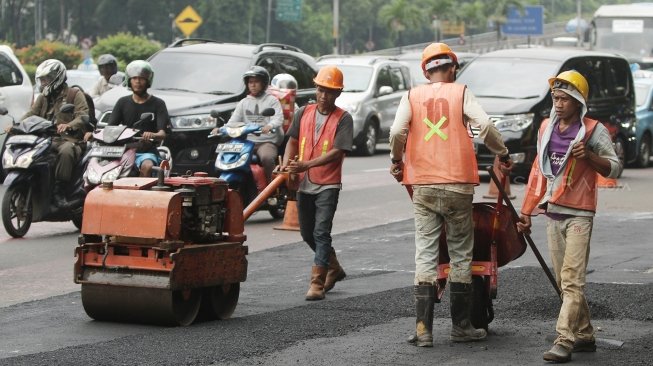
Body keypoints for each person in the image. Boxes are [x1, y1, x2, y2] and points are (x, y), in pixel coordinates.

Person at [388, 43, 513, 347]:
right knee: (460, 255)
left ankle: (423, 330)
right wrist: (503, 152)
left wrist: (396, 160)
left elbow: (396, 132)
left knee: (425, 255)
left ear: (426, 70)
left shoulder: (412, 95)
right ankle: (461, 327)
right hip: (458, 186)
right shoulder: (461, 93)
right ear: (452, 67)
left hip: (424, 185)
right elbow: (483, 125)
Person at [516, 70, 621, 363]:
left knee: (572, 281)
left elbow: (614, 168)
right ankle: (585, 334)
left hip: (580, 215)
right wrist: (526, 212)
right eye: (556, 98)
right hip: (553, 214)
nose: (559, 104)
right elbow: (538, 172)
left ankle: (564, 338)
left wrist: (589, 155)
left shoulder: (593, 130)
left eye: (565, 99)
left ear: (578, 102)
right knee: (565, 283)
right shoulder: (546, 128)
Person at [281, 65, 353, 301]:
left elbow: (338, 152)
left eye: (330, 92)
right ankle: (334, 267)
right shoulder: (304, 112)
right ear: (316, 89)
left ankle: (317, 283)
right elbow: (292, 140)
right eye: (321, 90)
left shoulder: (344, 118)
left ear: (338, 93)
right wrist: (286, 164)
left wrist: (307, 165)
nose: (324, 96)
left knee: (321, 232)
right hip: (304, 182)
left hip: (328, 183)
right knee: (306, 233)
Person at [21, 59, 89, 208]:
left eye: (46, 79)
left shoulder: (74, 94)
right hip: (45, 139)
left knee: (66, 151)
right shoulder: (43, 97)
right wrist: (17, 125)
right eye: (42, 80)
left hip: (69, 140)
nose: (44, 83)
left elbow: (83, 116)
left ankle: (59, 190)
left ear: (56, 77)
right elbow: (31, 114)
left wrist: (69, 125)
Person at [212, 66, 284, 184]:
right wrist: (220, 129)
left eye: (256, 82)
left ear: (264, 83)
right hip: (246, 142)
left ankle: (273, 189)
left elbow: (278, 118)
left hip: (265, 142)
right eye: (250, 82)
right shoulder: (244, 102)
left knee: (267, 158)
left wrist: (269, 126)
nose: (253, 85)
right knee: (225, 157)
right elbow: (233, 121)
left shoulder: (272, 100)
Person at [107, 60, 168, 177]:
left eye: (142, 78)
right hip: (123, 150)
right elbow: (110, 128)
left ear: (148, 81)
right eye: (134, 78)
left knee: (147, 166)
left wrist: (152, 135)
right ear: (129, 80)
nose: (138, 82)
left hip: (146, 151)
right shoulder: (122, 102)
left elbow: (163, 133)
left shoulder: (158, 104)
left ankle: (140, 193)